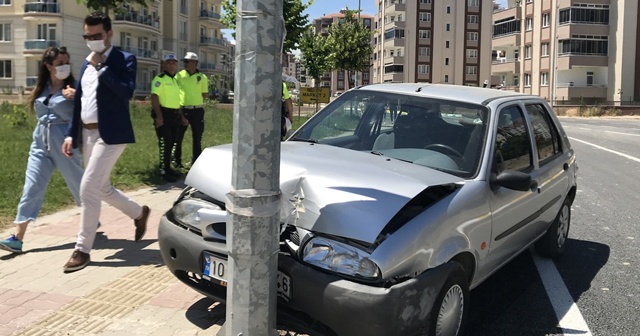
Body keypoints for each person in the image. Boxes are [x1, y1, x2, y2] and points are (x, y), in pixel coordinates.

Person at [61, 11, 150, 273]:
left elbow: (126, 91)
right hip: (87, 133)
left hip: (111, 135)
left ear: (109, 33)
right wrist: (70, 133)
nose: (91, 41)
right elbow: (80, 101)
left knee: (88, 187)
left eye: (96, 36)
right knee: (100, 188)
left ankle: (82, 249)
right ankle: (138, 213)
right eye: (87, 37)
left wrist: (103, 67)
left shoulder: (124, 59)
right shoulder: (86, 62)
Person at [0, 47, 84, 254]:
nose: (65, 66)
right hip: (40, 143)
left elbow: (88, 112)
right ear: (48, 67)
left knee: (80, 186)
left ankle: (92, 219)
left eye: (67, 62)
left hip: (65, 143)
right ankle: (17, 237)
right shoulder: (42, 87)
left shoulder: (75, 88)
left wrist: (78, 97)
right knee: (32, 187)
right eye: (59, 63)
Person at [150, 54, 184, 182]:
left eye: (173, 63)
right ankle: (164, 171)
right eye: (168, 63)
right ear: (163, 64)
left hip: (174, 115)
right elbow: (154, 97)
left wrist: (181, 116)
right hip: (163, 114)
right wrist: (159, 116)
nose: (171, 65)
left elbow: (177, 100)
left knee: (172, 143)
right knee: (165, 143)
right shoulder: (160, 79)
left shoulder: (175, 80)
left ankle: (169, 168)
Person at [173, 52, 208, 168]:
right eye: (185, 62)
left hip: (197, 111)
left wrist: (195, 102)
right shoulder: (179, 76)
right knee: (178, 137)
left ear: (195, 63)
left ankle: (195, 163)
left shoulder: (202, 77)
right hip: (183, 110)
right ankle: (177, 162)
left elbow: (204, 94)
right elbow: (175, 93)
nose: (185, 64)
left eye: (187, 62)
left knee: (197, 138)